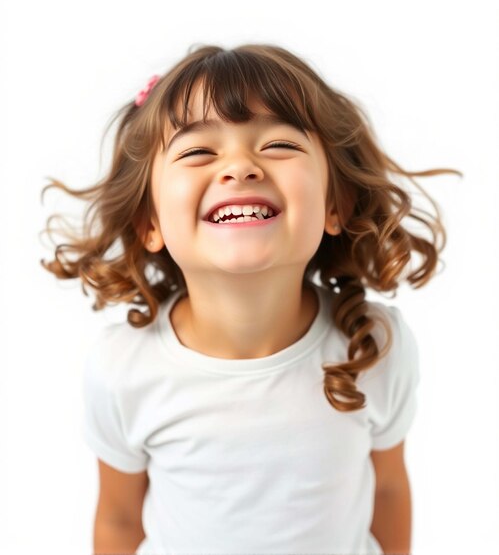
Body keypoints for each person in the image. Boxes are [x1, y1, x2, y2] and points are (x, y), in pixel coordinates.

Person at [40, 43, 461, 555]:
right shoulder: (122, 368)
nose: (240, 167)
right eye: (198, 152)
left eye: (279, 145)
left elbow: (390, 488)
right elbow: (119, 518)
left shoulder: (372, 346)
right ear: (148, 222)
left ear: (335, 204)